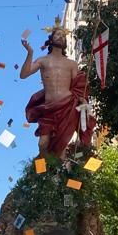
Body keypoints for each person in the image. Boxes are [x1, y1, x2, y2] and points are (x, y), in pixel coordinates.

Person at [21, 26, 95, 159]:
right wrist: (30, 53)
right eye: (58, 35)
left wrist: (83, 100)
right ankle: (42, 171)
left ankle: (58, 175)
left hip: (67, 107)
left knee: (61, 147)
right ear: (51, 39)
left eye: (63, 36)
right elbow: (24, 74)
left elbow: (78, 85)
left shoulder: (71, 64)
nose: (61, 37)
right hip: (48, 109)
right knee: (42, 143)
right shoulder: (43, 60)